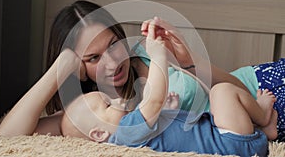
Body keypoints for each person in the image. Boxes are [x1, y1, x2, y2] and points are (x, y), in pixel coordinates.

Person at [0, 0, 284, 142]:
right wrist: (60, 68)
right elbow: (5, 140)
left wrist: (189, 61)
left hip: (259, 86)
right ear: (79, 69)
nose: (112, 62)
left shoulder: (150, 52)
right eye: (94, 58)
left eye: (113, 44)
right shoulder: (88, 114)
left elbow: (239, 89)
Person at [59, 23, 277, 157]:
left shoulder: (131, 130)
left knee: (220, 96)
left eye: (114, 44)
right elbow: (153, 101)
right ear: (99, 134)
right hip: (228, 142)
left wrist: (168, 109)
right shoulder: (126, 131)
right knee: (221, 92)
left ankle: (260, 132)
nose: (116, 101)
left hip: (225, 134)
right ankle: (262, 114)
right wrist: (158, 55)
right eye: (107, 105)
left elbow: (161, 121)